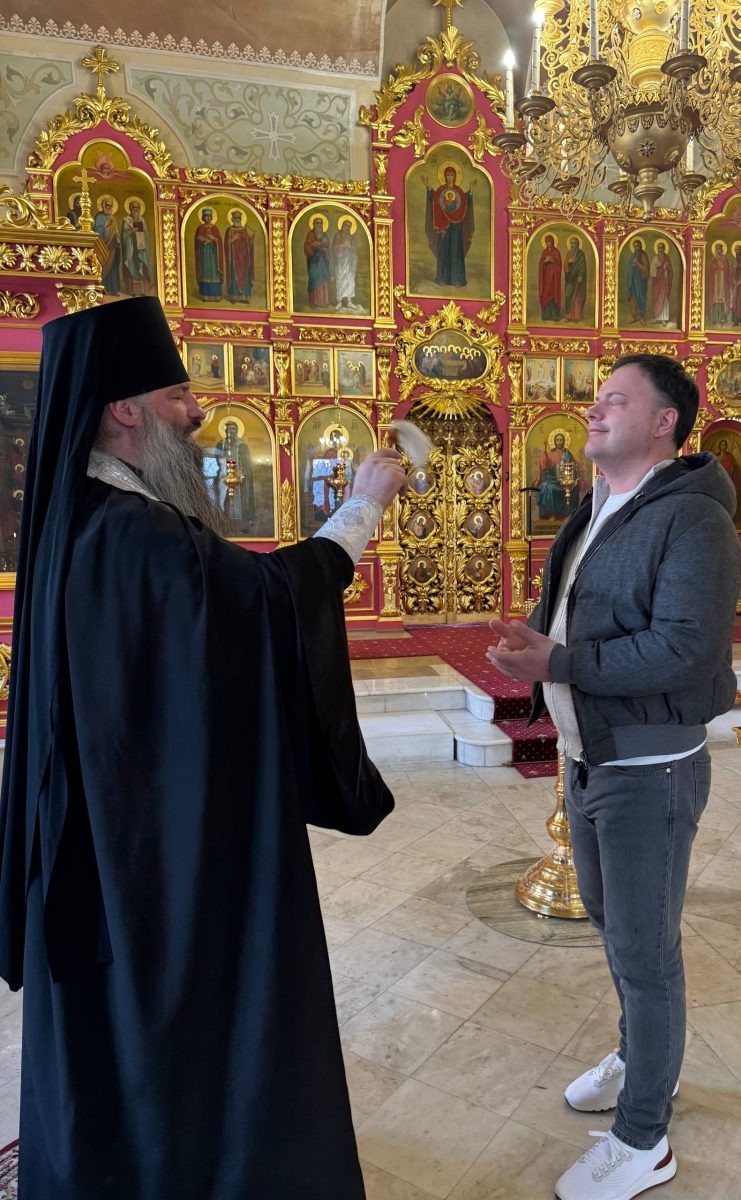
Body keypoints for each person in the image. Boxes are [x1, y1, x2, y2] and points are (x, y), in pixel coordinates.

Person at [0, 296, 409, 1198]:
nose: (199, 411)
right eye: (179, 394)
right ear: (124, 408)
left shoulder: (86, 518)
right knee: (171, 1019)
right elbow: (265, 603)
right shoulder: (134, 533)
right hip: (149, 857)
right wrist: (362, 509)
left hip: (113, 827)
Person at [487, 354, 741, 1200]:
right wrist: (533, 641)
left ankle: (643, 1140)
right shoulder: (599, 504)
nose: (592, 412)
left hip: (649, 767)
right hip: (588, 755)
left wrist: (557, 660)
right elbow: (573, 610)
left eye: (615, 401)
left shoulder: (694, 518)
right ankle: (641, 1059)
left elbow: (685, 649)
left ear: (665, 422)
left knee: (645, 952)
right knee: (612, 925)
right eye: (596, 400)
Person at [424, 165, 475, 287]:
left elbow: (465, 202)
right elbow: (434, 199)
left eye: (452, 175)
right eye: (447, 175)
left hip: (456, 226)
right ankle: (442, 278)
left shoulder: (459, 191)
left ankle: (457, 279)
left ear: (455, 177)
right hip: (443, 226)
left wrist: (471, 192)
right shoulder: (441, 190)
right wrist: (429, 188)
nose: (449, 177)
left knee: (456, 251)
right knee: (444, 251)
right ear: (444, 176)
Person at [534, 431, 578, 519]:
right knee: (544, 486)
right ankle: (548, 514)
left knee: (550, 489)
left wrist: (570, 467)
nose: (559, 442)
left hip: (564, 480)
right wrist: (544, 452)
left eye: (561, 440)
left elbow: (573, 468)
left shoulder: (567, 454)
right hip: (551, 479)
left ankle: (560, 515)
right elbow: (545, 467)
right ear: (554, 441)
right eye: (557, 440)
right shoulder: (550, 453)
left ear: (564, 441)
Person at [120, 199, 154, 297]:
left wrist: (142, 233)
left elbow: (146, 235)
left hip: (141, 249)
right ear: (130, 209)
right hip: (131, 249)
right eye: (134, 208)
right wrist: (131, 231)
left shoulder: (142, 220)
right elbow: (124, 236)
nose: (136, 210)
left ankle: (143, 291)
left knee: (142, 268)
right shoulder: (127, 221)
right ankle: (133, 291)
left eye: (138, 208)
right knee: (132, 267)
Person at [224, 209, 255, 304]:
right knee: (234, 276)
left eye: (239, 218)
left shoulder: (244, 230)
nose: (237, 220)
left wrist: (251, 240)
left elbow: (248, 243)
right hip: (234, 258)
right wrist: (233, 239)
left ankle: (245, 297)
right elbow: (226, 244)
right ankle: (234, 296)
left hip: (244, 258)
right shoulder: (229, 230)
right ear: (232, 219)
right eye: (235, 218)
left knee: (245, 275)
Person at [194, 206, 224, 300]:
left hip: (214, 254)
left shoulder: (215, 228)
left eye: (209, 216)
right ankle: (205, 295)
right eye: (206, 216)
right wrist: (202, 240)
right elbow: (197, 240)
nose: (208, 218)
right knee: (205, 272)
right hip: (204, 254)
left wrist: (214, 239)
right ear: (203, 217)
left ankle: (216, 295)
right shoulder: (200, 228)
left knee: (214, 272)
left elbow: (219, 241)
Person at [92, 196, 121, 295]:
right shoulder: (99, 216)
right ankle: (102, 287)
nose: (108, 207)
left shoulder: (113, 218)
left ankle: (113, 289)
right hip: (102, 246)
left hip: (112, 246)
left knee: (113, 267)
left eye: (110, 206)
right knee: (102, 265)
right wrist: (106, 228)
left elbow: (116, 232)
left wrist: (117, 239)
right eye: (107, 205)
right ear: (103, 205)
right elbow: (97, 230)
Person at [332, 217, 360, 311]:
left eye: (349, 226)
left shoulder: (352, 238)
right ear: (342, 226)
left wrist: (351, 248)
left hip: (350, 263)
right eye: (346, 226)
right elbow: (334, 248)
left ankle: (349, 302)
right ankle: (339, 302)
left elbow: (355, 249)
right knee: (340, 280)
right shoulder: (338, 236)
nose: (347, 228)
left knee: (350, 281)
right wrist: (343, 246)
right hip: (341, 263)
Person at [304, 216, 332, 307]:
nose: (319, 225)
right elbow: (307, 246)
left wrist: (323, 247)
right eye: (317, 223)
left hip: (323, 261)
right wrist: (313, 245)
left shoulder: (325, 235)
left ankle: (323, 302)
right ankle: (313, 302)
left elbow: (328, 245)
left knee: (323, 280)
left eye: (320, 223)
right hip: (314, 261)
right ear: (314, 224)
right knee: (314, 279)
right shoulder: (310, 234)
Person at [537, 235, 563, 321]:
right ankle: (546, 315)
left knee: (553, 295)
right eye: (547, 242)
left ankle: (555, 315)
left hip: (554, 279)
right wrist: (545, 261)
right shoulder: (544, 252)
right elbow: (541, 265)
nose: (548, 244)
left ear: (553, 242)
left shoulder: (556, 252)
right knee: (545, 295)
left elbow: (559, 265)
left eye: (549, 242)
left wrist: (552, 260)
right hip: (546, 278)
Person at [564, 234, 587, 322]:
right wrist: (568, 263)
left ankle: (577, 316)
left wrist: (581, 275)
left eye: (575, 243)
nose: (573, 245)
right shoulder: (568, 254)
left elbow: (582, 266)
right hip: (570, 279)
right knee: (569, 296)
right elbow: (565, 266)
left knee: (577, 297)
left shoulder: (581, 254)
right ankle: (569, 316)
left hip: (577, 278)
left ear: (577, 244)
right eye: (572, 243)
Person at [626, 238, 650, 323]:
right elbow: (629, 268)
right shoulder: (632, 256)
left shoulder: (643, 256)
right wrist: (632, 266)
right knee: (632, 297)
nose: (636, 248)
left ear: (641, 246)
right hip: (633, 280)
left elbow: (646, 270)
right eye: (635, 246)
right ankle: (634, 316)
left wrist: (638, 264)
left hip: (641, 281)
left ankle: (641, 317)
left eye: (638, 246)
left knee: (640, 297)